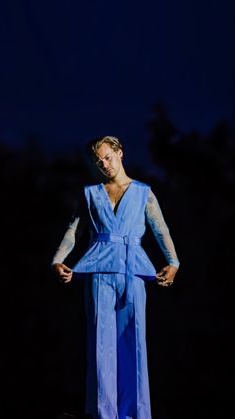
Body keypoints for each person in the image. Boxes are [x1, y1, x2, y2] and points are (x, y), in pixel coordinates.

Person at [51, 136, 180, 419]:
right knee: (101, 345)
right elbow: (74, 229)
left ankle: (136, 412)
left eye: (108, 157)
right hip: (99, 270)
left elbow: (161, 230)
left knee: (133, 341)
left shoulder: (143, 192)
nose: (104, 164)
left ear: (120, 153)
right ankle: (103, 413)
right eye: (98, 161)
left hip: (134, 270)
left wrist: (173, 262)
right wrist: (58, 260)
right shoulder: (91, 193)